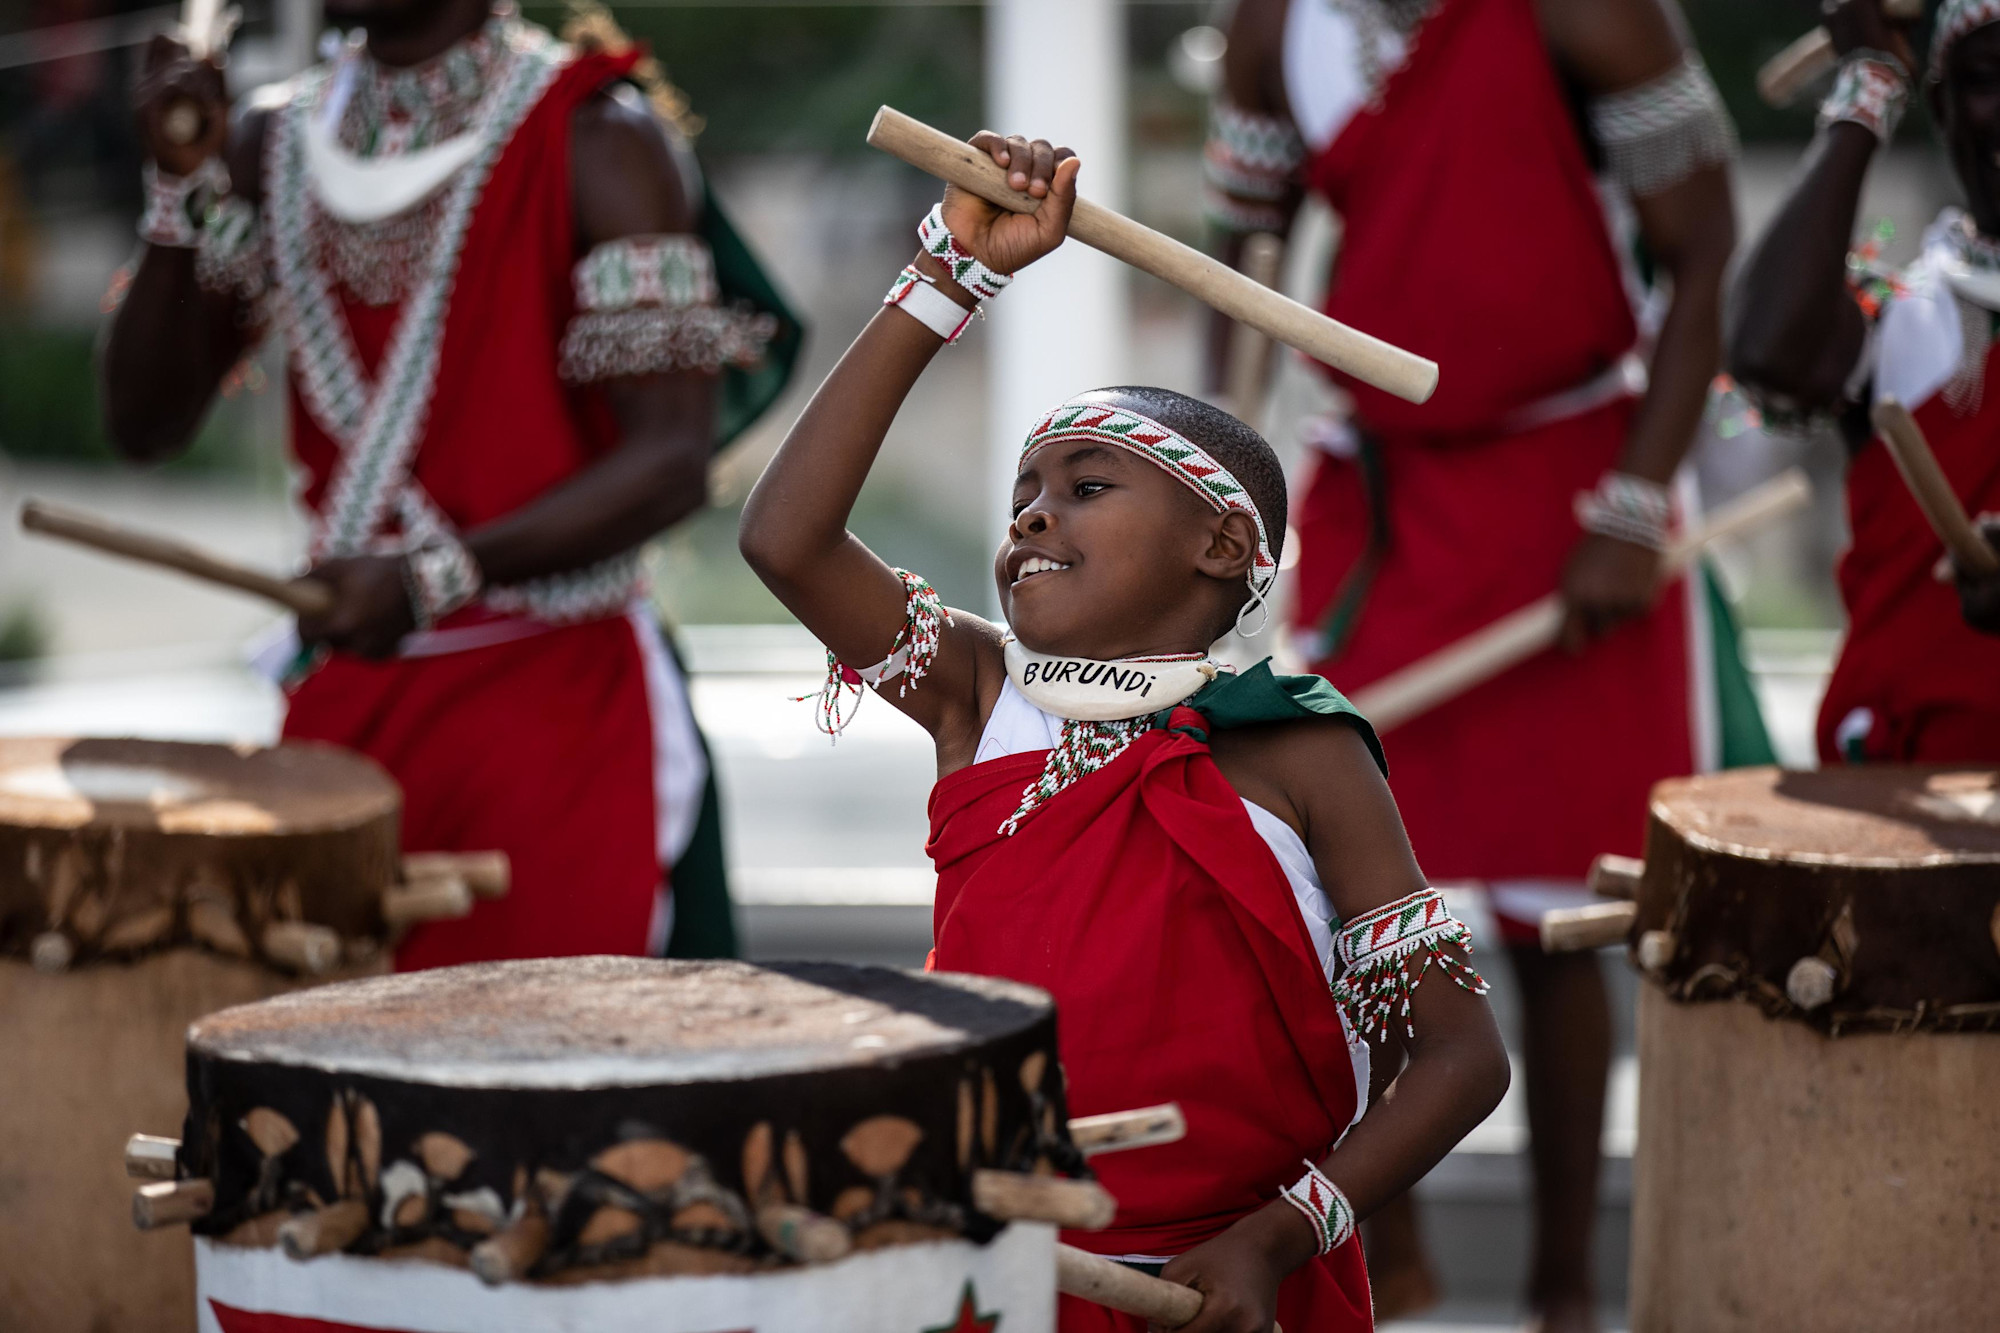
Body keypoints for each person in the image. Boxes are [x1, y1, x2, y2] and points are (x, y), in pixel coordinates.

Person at [738, 132, 1510, 1333]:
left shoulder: (1299, 750)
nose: (1034, 513)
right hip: (994, 1269)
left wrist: (1275, 1236)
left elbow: (1459, 1057)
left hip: (1235, 1288)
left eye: (1087, 486)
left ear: (1218, 548)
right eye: (1023, 497)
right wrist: (950, 273)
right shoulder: (980, 693)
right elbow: (784, 540)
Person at [1201, 1, 1747, 1325]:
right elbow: (1239, 261)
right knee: (1370, 906)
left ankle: (1565, 1287)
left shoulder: (1591, 12)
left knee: (1556, 922)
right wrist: (1210, 500)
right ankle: (1402, 1269)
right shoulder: (1273, 26)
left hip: (1571, 491)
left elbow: (1706, 251)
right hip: (1380, 508)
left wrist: (1630, 509)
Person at [100, 0, 796, 966]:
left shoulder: (600, 134)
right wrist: (178, 190)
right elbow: (144, 425)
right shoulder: (268, 139)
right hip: (348, 720)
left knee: (546, 1085)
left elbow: (670, 463)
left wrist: (430, 578)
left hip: (554, 719)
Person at [1730, 0, 2000, 756]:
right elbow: (1765, 353)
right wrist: (1869, 87)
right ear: (1943, 107)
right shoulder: (1899, 318)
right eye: (1987, 80)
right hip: (1894, 801)